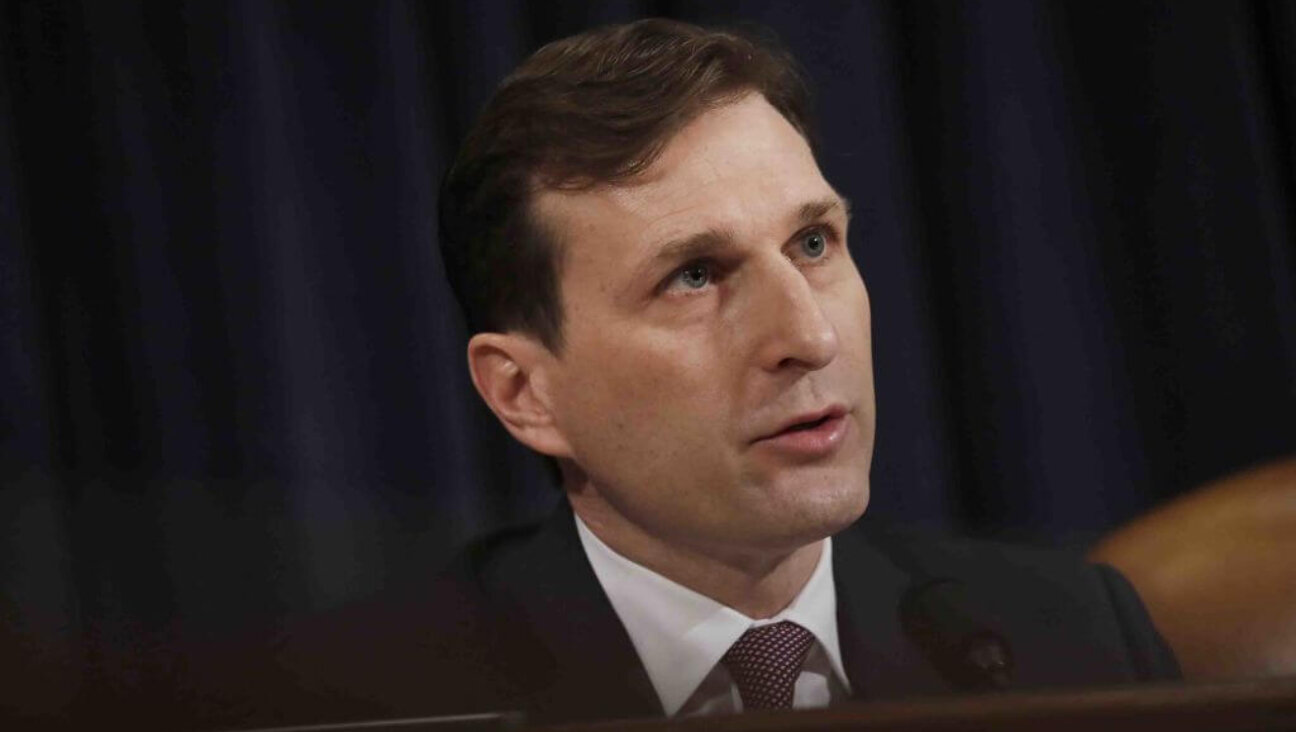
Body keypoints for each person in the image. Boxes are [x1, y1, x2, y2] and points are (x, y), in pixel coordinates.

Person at [262, 18, 1179, 729]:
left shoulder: (1076, 636)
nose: (809, 335)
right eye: (694, 275)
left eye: (813, 243)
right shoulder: (354, 702)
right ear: (524, 393)